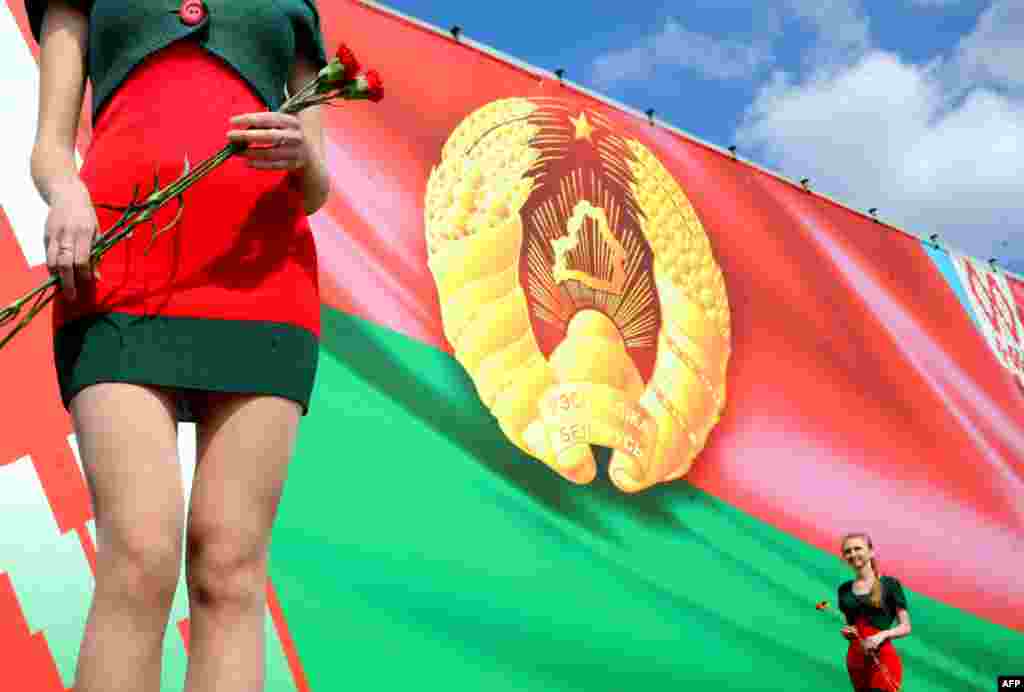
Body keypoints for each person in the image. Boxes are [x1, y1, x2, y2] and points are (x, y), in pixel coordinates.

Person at [27, 0, 331, 689]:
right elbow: (48, 147)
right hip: (115, 269)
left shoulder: (296, 6)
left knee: (229, 568)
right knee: (138, 556)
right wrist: (66, 192)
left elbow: (317, 185)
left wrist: (299, 151)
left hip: (263, 276)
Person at [837, 533, 913, 692]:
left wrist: (882, 635)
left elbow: (906, 627)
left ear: (871, 552)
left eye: (857, 548)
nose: (853, 553)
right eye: (848, 551)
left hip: (883, 658)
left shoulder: (890, 584)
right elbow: (851, 626)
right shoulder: (843, 590)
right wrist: (848, 632)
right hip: (856, 662)